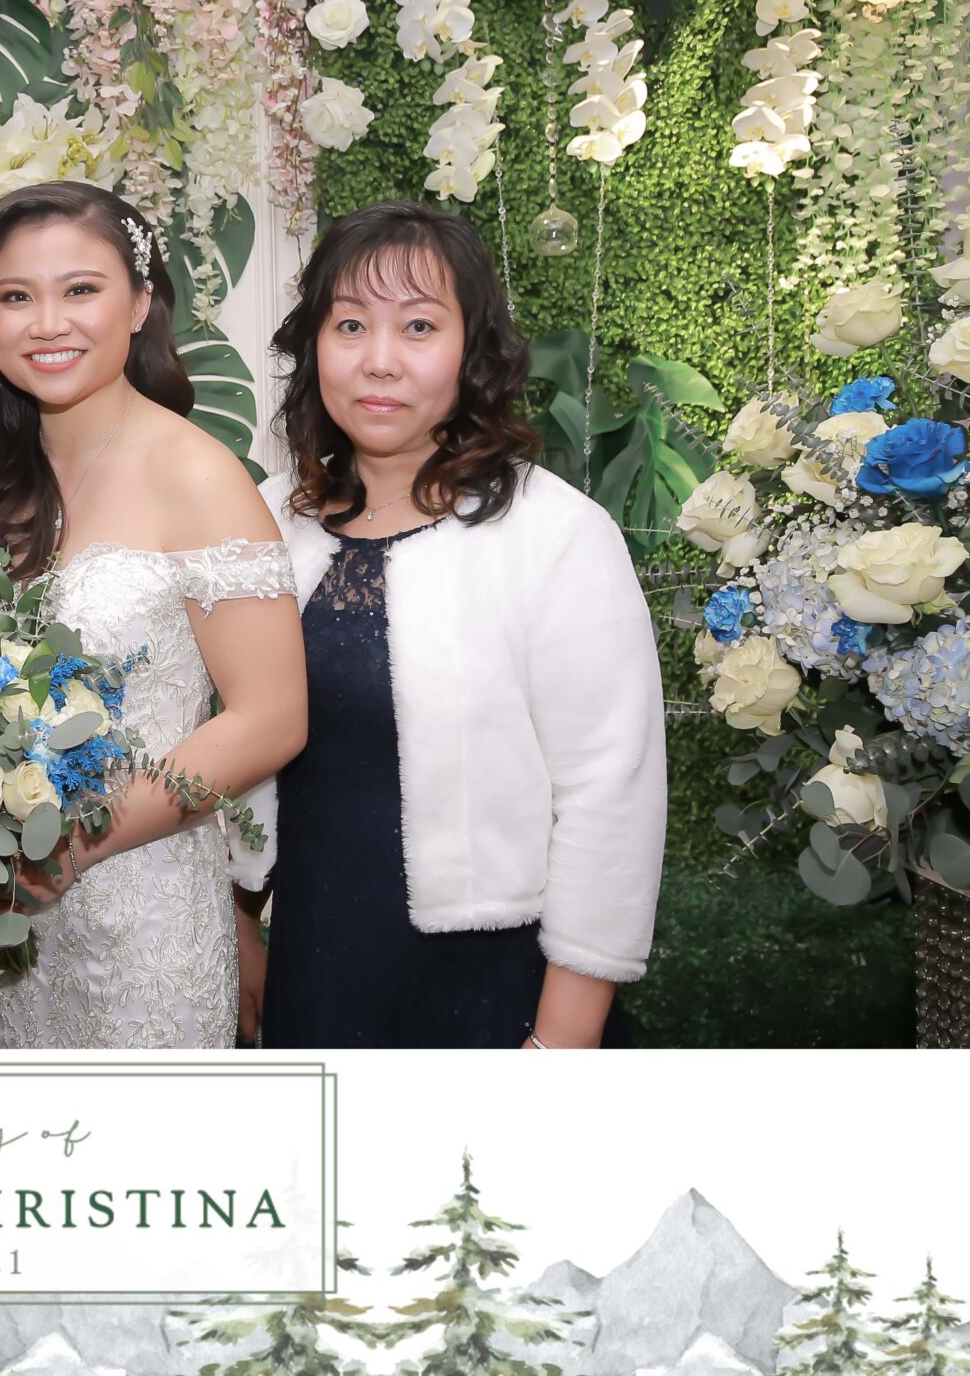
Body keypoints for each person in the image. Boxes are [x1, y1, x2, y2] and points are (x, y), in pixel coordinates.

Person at [249, 202, 666, 1049]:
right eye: (350, 324)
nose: (379, 360)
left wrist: (563, 1039)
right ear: (314, 344)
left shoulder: (555, 532)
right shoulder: (268, 521)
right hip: (313, 967)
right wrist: (238, 932)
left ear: (471, 348)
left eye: (419, 326)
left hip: (496, 988)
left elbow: (610, 791)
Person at [0, 181, 307, 1050]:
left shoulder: (198, 473)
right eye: (16, 296)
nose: (48, 323)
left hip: (143, 919)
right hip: (1, 924)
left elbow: (271, 717)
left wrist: (71, 845)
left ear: (140, 303)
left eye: (81, 289)